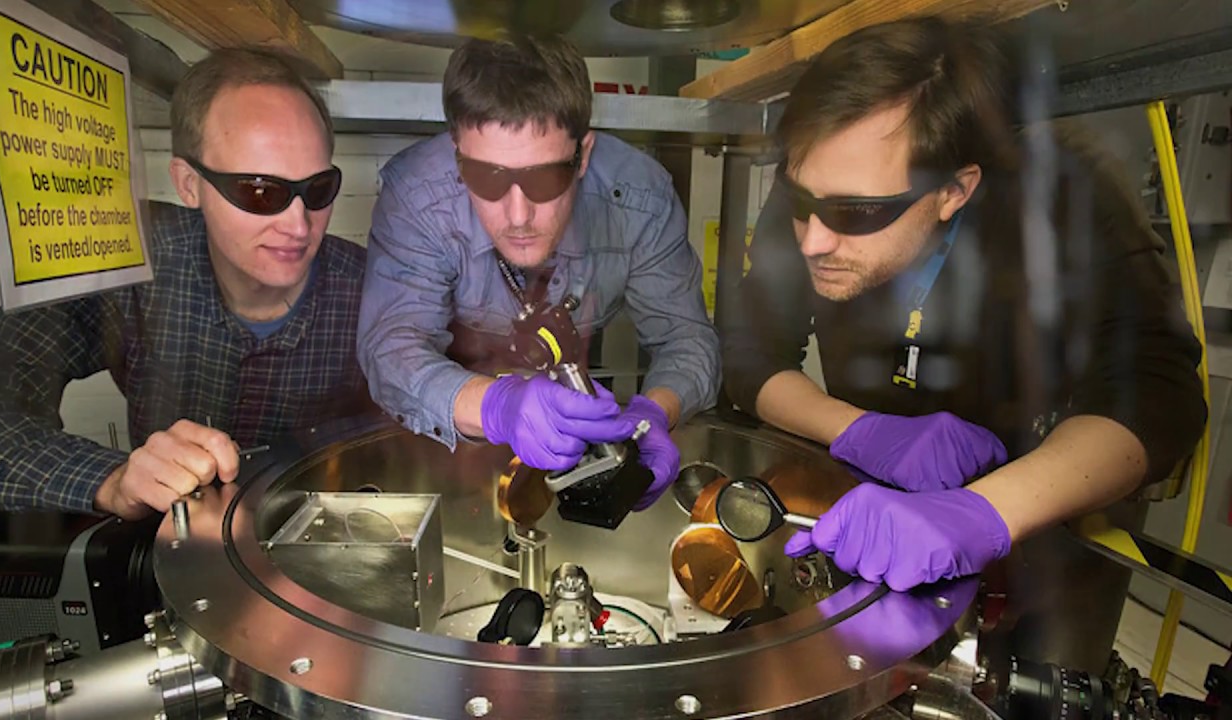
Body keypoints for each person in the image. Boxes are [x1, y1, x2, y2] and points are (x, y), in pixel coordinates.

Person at [721, 16, 1204, 657]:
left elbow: (1157, 389)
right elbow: (750, 354)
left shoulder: (1064, 192)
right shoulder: (818, 195)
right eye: (800, 199)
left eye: (857, 213)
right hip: (883, 507)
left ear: (953, 190)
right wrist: (857, 429)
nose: (813, 239)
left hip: (1052, 517)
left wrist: (985, 511)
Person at [0, 47, 371, 519]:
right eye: (260, 192)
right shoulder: (130, 259)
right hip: (161, 560)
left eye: (317, 190)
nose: (299, 225)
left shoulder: (372, 291)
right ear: (188, 184)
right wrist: (109, 481)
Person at [358, 35, 718, 509]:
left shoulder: (639, 199)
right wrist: (497, 407)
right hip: (446, 435)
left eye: (545, 178)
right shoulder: (417, 195)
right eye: (487, 178)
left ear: (583, 156)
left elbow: (687, 339)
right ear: (456, 153)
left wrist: (655, 413)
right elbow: (391, 346)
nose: (519, 215)